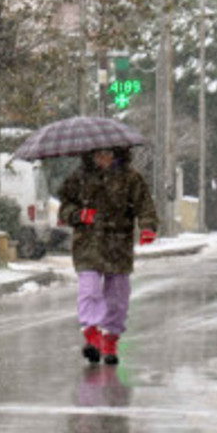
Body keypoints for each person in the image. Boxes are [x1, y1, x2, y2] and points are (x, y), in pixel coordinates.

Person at [58, 147, 159, 365]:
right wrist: (78, 215)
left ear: (117, 155)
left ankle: (110, 338)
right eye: (98, 154)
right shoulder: (79, 179)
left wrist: (148, 227)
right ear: (91, 155)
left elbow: (145, 205)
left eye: (108, 154)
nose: (103, 158)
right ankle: (91, 335)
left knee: (118, 297)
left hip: (118, 245)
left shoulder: (131, 178)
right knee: (90, 289)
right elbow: (64, 208)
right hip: (88, 244)